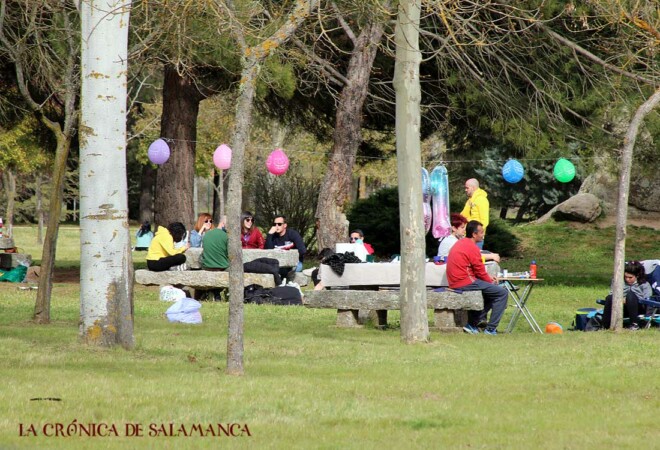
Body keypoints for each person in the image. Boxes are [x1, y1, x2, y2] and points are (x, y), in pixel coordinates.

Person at [446, 220, 508, 335]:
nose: (483, 235)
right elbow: (479, 271)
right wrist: (490, 282)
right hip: (463, 281)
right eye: (481, 232)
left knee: (491, 292)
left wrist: (488, 280)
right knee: (501, 293)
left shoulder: (461, 242)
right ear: (474, 234)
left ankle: (472, 325)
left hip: (457, 280)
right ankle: (491, 329)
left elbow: (475, 270)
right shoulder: (472, 247)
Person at [201, 219, 282, 285]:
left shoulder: (207, 234)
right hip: (223, 268)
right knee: (251, 266)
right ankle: (276, 274)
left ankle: (274, 268)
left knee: (253, 263)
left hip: (207, 267)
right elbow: (234, 255)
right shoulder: (227, 236)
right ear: (223, 224)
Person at [602, 261, 653, 330]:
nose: (627, 279)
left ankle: (634, 324)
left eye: (630, 277)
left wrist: (629, 300)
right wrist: (621, 300)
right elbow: (611, 293)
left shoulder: (644, 285)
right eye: (625, 277)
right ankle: (605, 325)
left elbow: (647, 300)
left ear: (637, 275)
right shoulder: (618, 282)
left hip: (638, 308)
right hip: (620, 307)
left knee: (630, 296)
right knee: (609, 297)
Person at [460, 178, 489, 249]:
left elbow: (484, 221)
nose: (465, 190)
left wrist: (475, 234)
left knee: (474, 255)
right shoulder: (470, 200)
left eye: (467, 188)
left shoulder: (482, 200)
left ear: (473, 188)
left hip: (476, 238)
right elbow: (463, 215)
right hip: (467, 235)